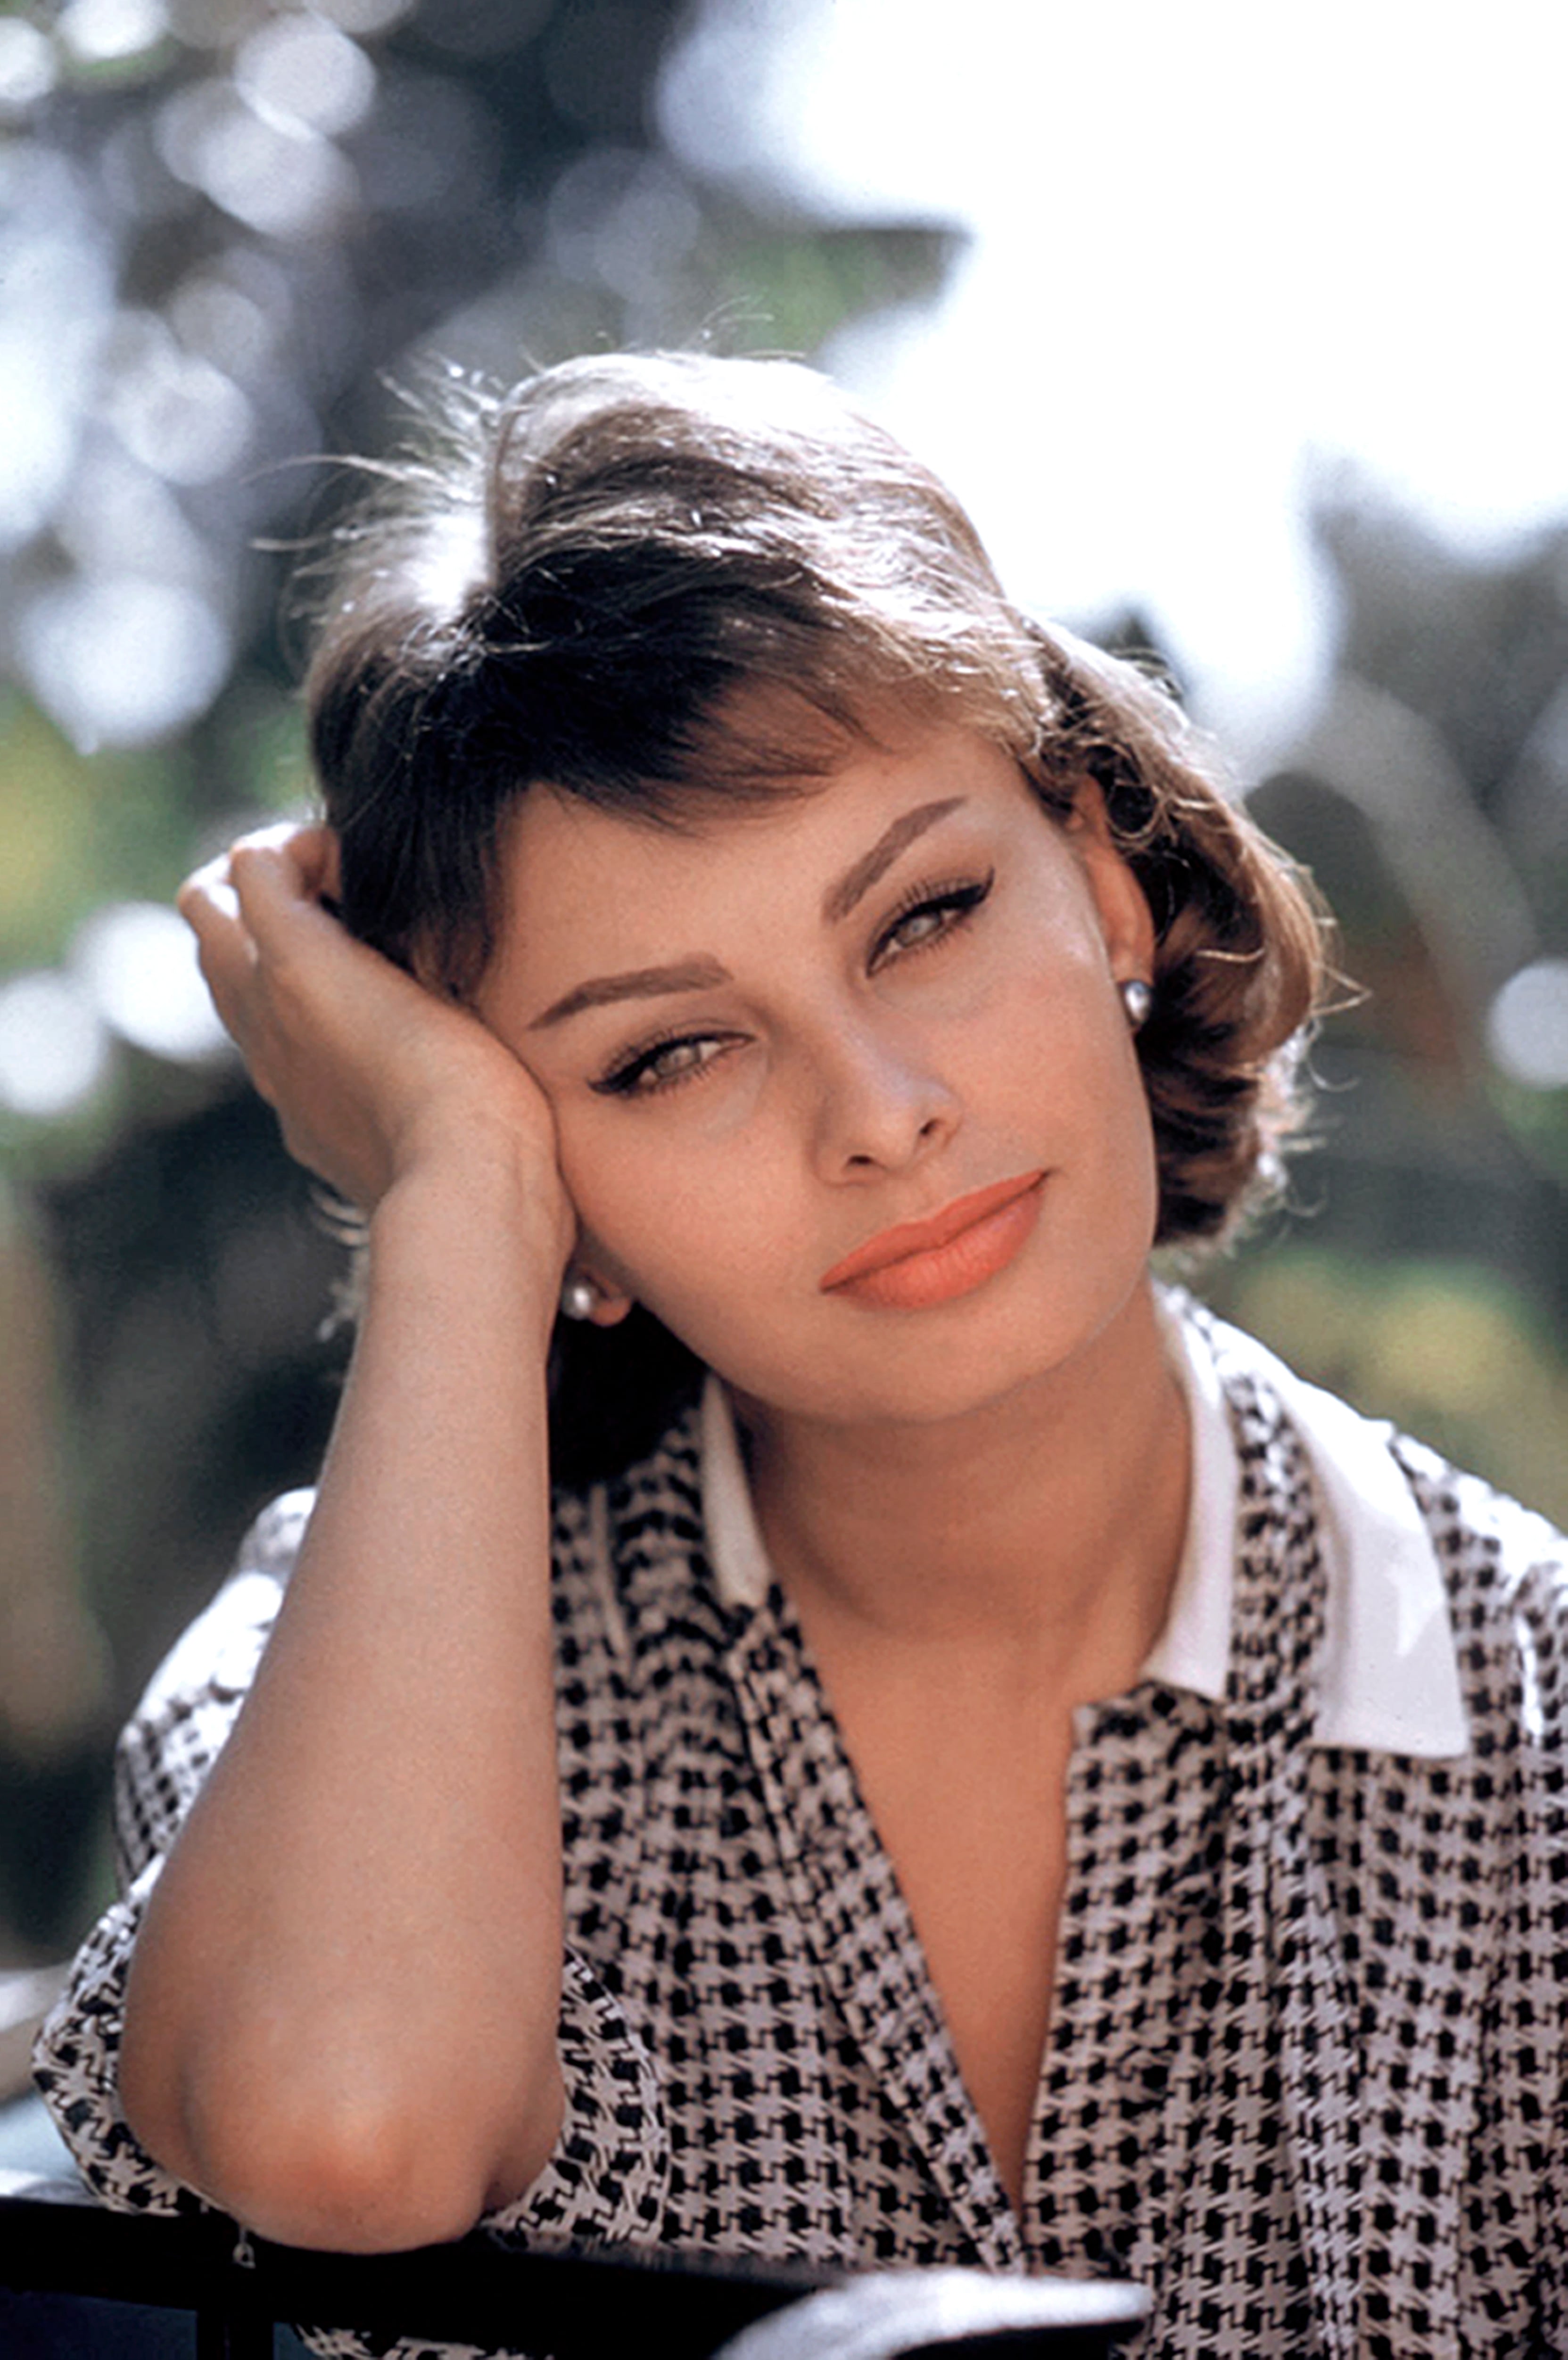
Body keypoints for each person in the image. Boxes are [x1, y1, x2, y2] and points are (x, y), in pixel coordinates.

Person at [34, 353, 1568, 2359]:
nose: (876, 1110)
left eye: (923, 915)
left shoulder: (1524, 1716)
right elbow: (342, 2136)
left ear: (1102, 880)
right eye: (667, 1051)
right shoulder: (339, 1692)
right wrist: (459, 1200)